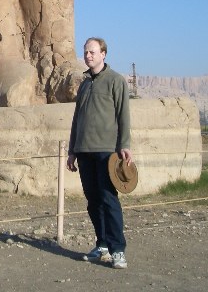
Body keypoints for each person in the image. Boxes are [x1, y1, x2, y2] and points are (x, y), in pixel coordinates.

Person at [67, 37, 132, 269]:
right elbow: (77, 119)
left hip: (106, 150)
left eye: (92, 52)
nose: (88, 56)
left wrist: (124, 145)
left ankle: (118, 249)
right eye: (86, 52)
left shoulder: (115, 80)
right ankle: (102, 244)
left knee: (108, 199)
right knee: (93, 201)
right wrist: (72, 150)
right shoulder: (84, 83)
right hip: (84, 150)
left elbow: (123, 114)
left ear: (103, 54)